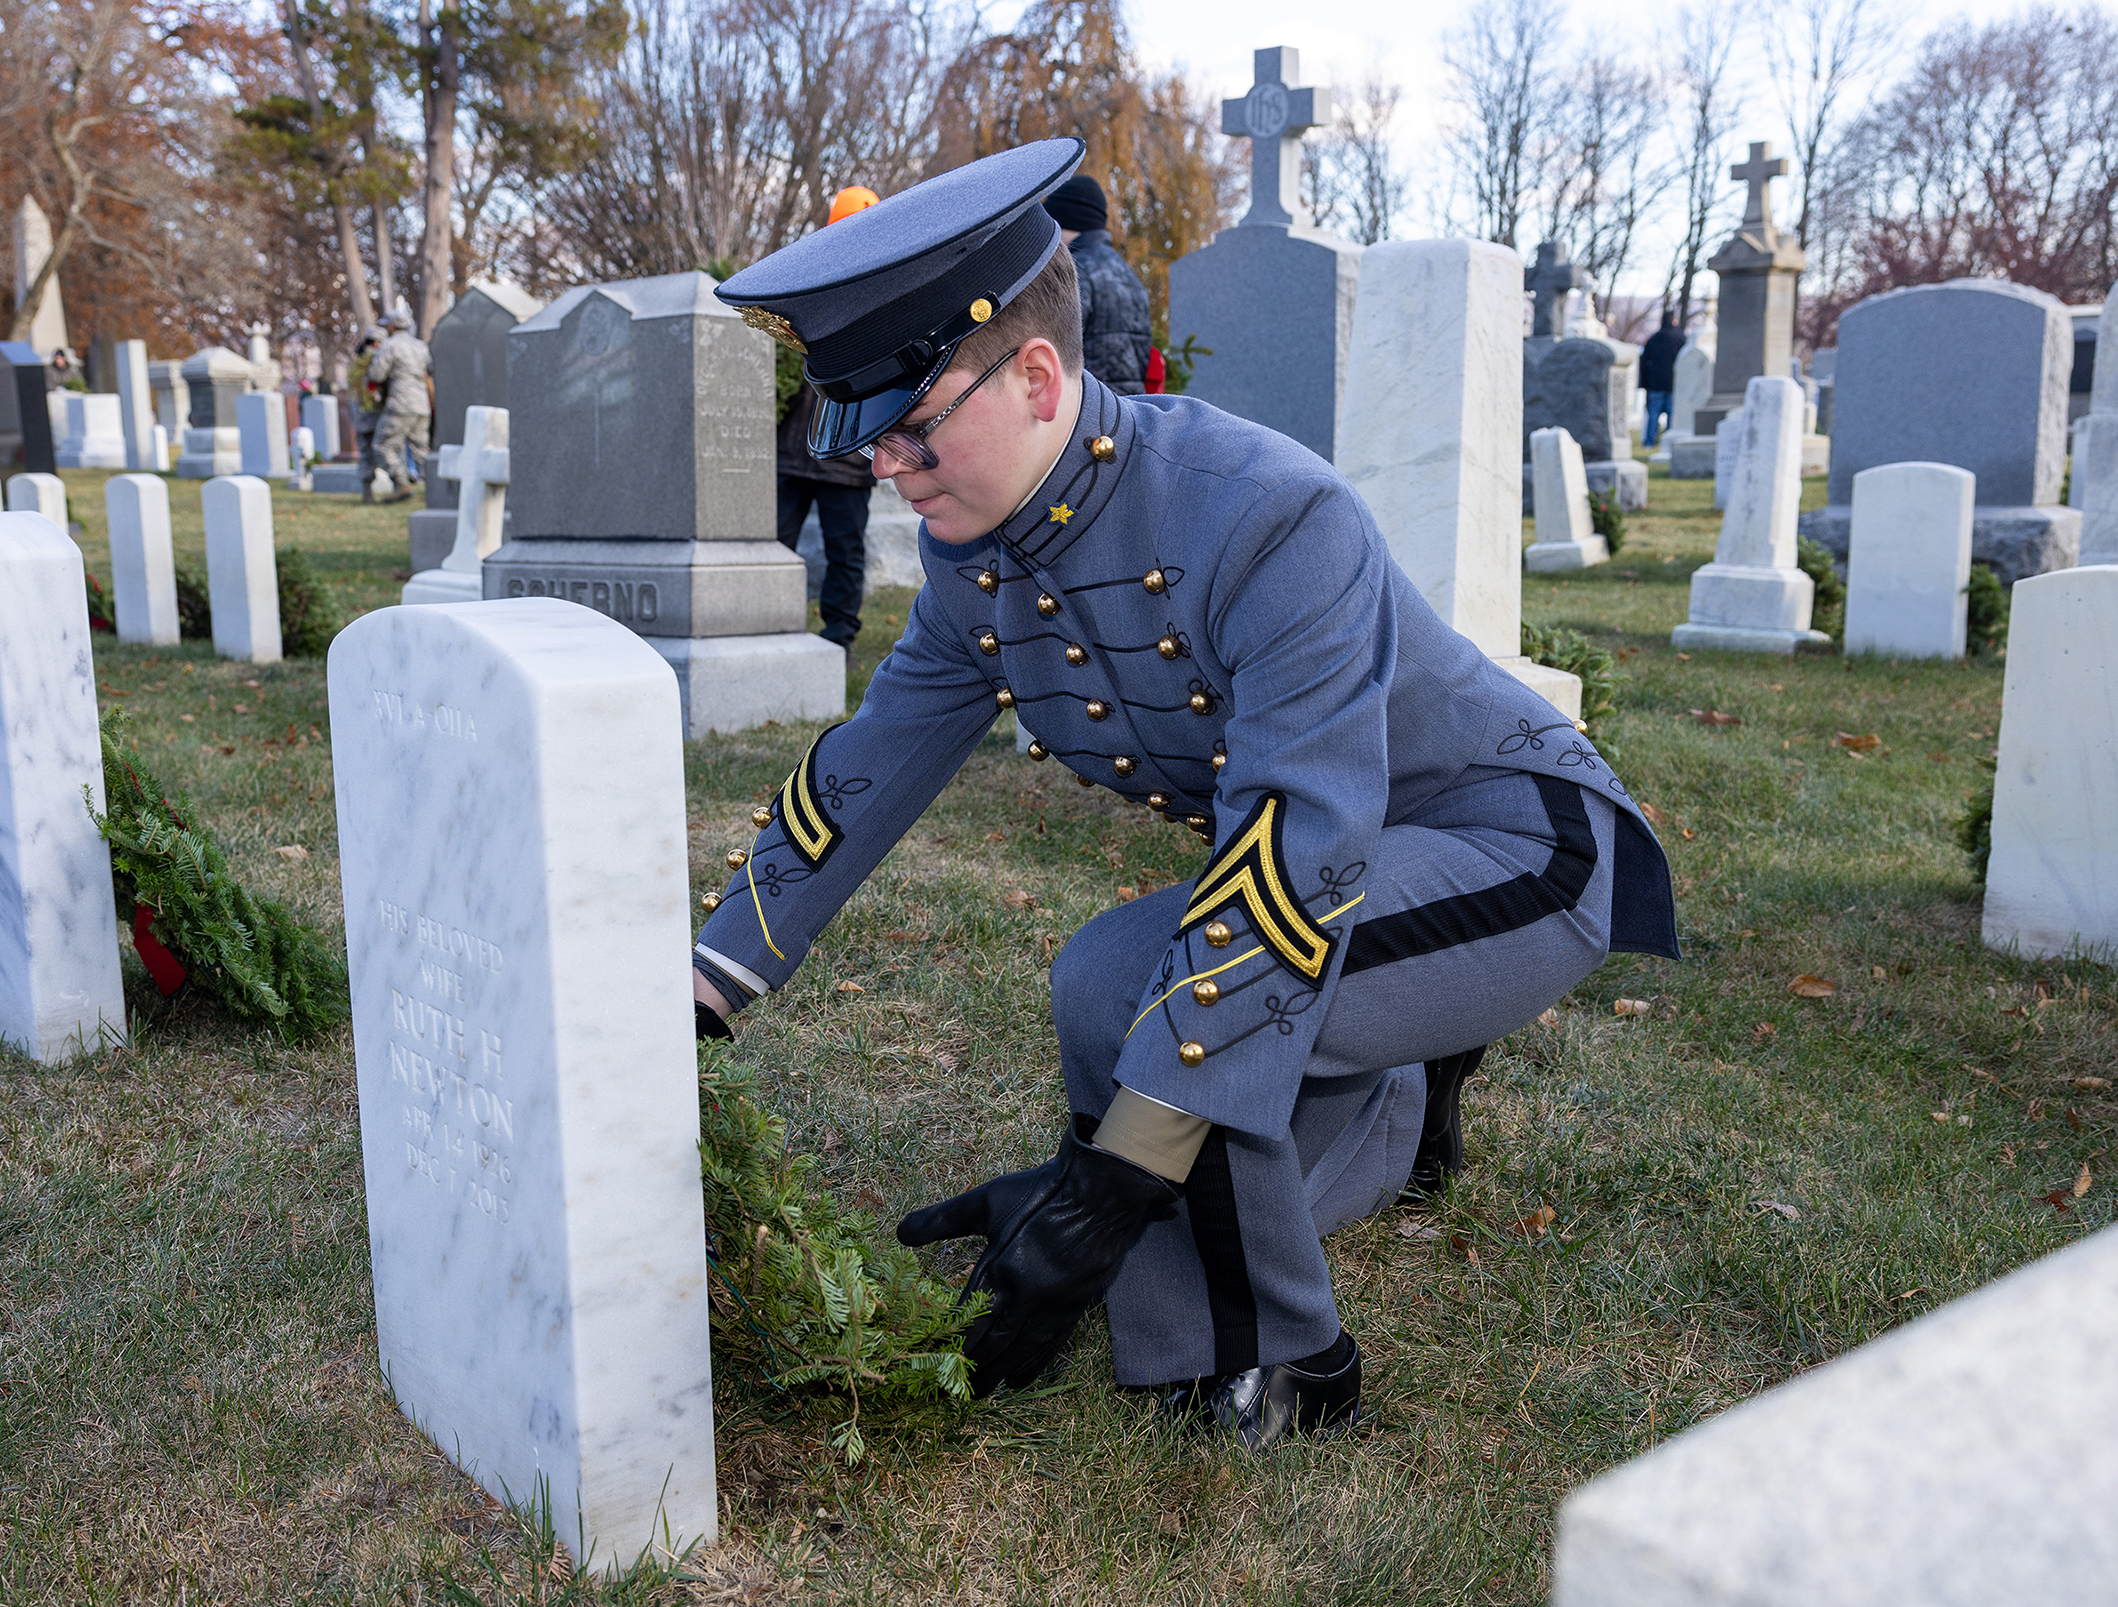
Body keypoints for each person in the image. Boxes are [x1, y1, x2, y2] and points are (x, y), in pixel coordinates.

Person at [696, 140, 1677, 1451]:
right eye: (862, 437)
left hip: (1510, 846)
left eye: (913, 429)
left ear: (1038, 375)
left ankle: (1291, 1369)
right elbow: (863, 769)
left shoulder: (1266, 513)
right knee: (1143, 1026)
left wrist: (1106, 1178)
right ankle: (1372, 1127)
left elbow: (1299, 848)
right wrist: (702, 988)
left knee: (1137, 997)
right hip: (1344, 856)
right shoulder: (972, 566)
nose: (888, 468)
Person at [775, 185, 883, 648]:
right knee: (772, 545)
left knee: (845, 551)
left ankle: (837, 639)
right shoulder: (805, 275)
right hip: (792, 445)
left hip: (845, 449)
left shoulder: (885, 283)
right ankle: (766, 626)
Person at [1042, 174, 1152, 396]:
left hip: (1090, 411)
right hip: (1130, 409)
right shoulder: (1127, 274)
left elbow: (1052, 350)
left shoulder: (1074, 271)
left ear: (1064, 221)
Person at [366, 309, 434, 502]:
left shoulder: (389, 345)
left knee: (382, 444)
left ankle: (401, 482)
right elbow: (429, 369)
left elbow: (377, 374)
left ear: (391, 326)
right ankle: (435, 490)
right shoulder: (421, 346)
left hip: (400, 403)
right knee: (421, 449)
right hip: (421, 405)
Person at [348, 327, 386, 501]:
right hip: (374, 411)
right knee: (385, 449)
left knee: (365, 452)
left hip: (359, 413)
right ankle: (399, 485)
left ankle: (367, 493)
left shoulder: (356, 361)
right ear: (377, 343)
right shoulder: (376, 359)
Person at [1640, 311, 1687, 447]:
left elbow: (1644, 363)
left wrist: (1644, 383)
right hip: (1673, 382)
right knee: (1672, 412)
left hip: (1655, 382)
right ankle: (1668, 441)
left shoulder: (1653, 339)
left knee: (1653, 414)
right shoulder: (1680, 338)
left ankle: (1650, 441)